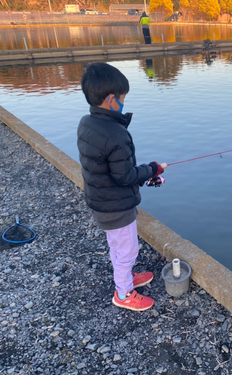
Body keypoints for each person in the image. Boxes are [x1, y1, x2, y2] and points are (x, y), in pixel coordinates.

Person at [77, 62, 167, 312]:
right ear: (111, 100)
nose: (124, 103)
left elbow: (107, 169)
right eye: (123, 98)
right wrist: (152, 170)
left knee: (116, 244)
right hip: (117, 206)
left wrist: (145, 174)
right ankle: (124, 292)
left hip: (100, 200)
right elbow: (124, 176)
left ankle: (124, 278)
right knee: (127, 249)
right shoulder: (115, 133)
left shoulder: (87, 123)